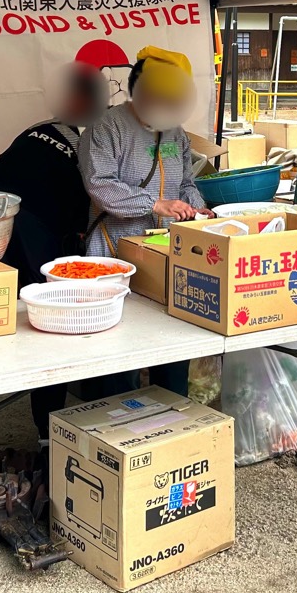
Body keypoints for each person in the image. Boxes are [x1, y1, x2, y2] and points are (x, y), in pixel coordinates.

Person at [0, 62, 105, 439]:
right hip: (28, 234)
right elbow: (96, 201)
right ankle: (47, 435)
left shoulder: (37, 131)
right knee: (48, 327)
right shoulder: (88, 143)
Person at [78, 46, 211, 396]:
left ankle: (173, 413)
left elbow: (186, 183)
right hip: (115, 252)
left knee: (172, 337)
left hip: (165, 251)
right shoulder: (106, 127)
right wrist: (156, 204)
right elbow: (99, 185)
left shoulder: (175, 133)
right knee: (118, 346)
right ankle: (112, 421)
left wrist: (199, 209)